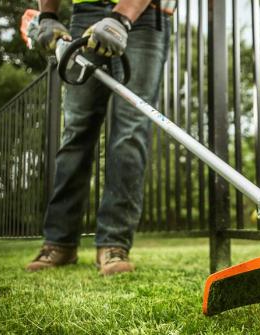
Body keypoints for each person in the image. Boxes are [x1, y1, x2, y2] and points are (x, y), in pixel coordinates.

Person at [26, 0, 174, 275]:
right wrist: (47, 15)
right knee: (75, 130)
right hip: (86, 11)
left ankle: (114, 244)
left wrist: (122, 18)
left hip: (146, 14)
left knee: (129, 132)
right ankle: (59, 242)